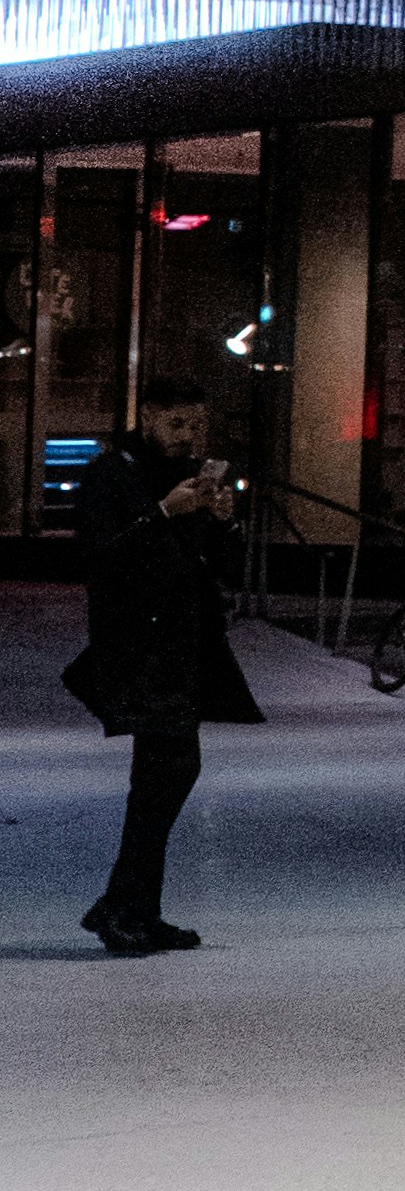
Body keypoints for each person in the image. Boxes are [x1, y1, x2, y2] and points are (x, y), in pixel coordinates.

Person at [65, 384, 260, 956]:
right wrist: (163, 514)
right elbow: (101, 556)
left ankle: (133, 909)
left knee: (166, 774)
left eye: (197, 426)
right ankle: (123, 906)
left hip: (182, 642)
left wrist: (223, 522)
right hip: (139, 644)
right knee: (166, 772)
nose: (188, 437)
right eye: (177, 424)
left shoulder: (190, 478)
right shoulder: (110, 475)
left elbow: (226, 569)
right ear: (147, 418)